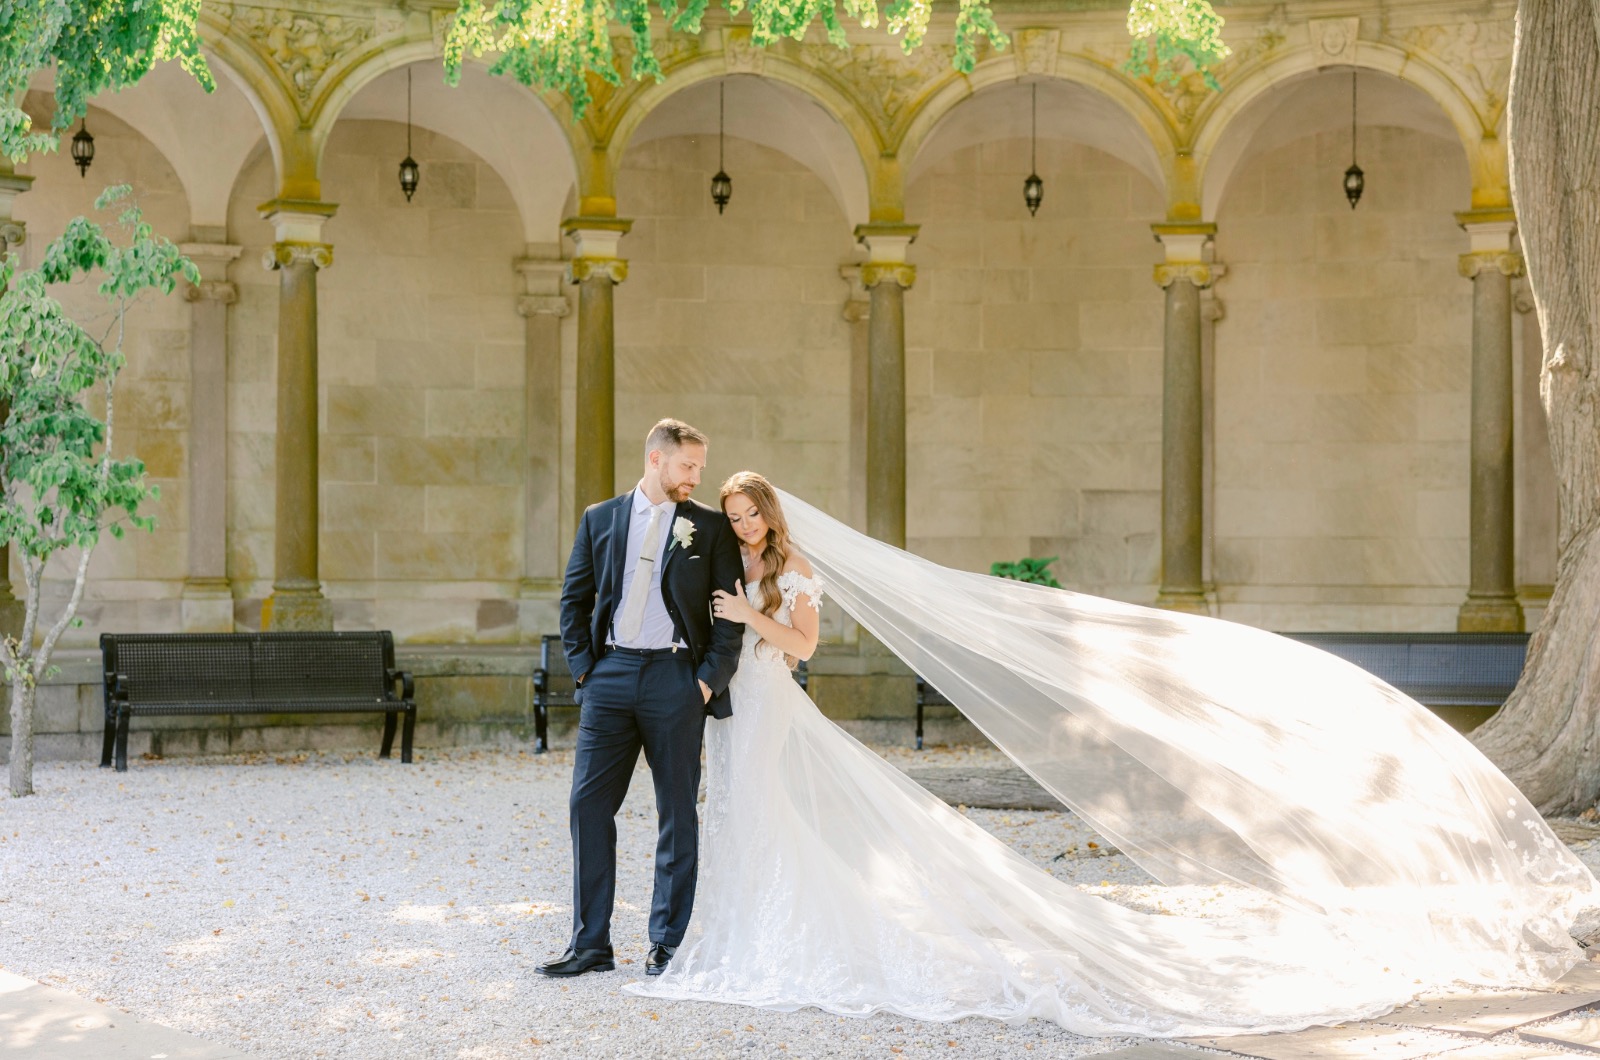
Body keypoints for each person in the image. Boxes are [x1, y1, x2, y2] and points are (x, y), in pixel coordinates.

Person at [626, 471, 1600, 1037]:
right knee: (745, 820)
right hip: (735, 714)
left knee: (774, 813)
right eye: (735, 514)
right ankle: (731, 935)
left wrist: (751, 614)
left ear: (773, 518)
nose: (743, 524)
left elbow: (799, 649)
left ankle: (782, 940)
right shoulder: (733, 560)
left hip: (774, 709)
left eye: (752, 514)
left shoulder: (790, 573)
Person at [539, 419, 744, 979]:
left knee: (677, 813)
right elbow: (574, 599)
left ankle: (667, 944)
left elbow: (728, 615)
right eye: (688, 466)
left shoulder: (708, 527)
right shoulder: (600, 518)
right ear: (656, 459)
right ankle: (590, 944)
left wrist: (705, 681)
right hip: (609, 676)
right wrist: (585, 671)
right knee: (587, 805)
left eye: (700, 467)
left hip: (676, 680)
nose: (697, 477)